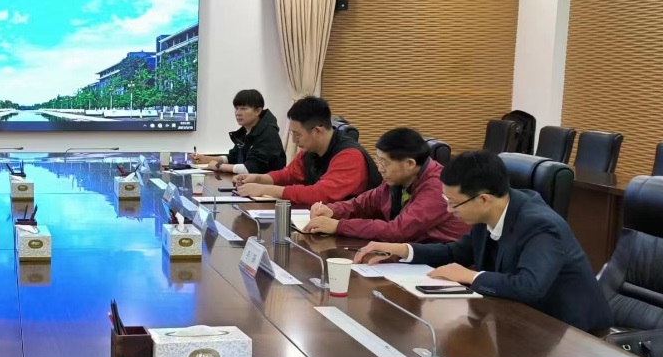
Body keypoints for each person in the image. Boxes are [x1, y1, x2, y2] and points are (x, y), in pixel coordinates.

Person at [355, 150, 611, 332]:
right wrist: (403, 250)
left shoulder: (541, 225)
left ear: (484, 199)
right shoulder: (489, 213)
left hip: (570, 332)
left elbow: (529, 286)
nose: (449, 211)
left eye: (454, 203)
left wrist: (471, 276)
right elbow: (457, 252)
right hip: (518, 320)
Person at [304, 128, 468, 244]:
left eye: (385, 163)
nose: (380, 168)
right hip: (409, 256)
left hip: (443, 265)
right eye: (378, 160)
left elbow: (398, 231)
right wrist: (333, 210)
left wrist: (339, 226)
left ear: (410, 164)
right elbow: (366, 202)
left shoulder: (437, 187)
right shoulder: (398, 178)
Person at [234, 96, 379, 207]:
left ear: (317, 131)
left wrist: (264, 189)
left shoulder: (350, 156)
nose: (294, 140)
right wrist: (259, 178)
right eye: (292, 134)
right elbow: (289, 174)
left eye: (297, 134)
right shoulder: (311, 150)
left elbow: (320, 194)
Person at [190, 89, 286, 174]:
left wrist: (218, 166)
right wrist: (206, 159)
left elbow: (251, 169)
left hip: (265, 186)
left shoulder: (268, 134)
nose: (238, 113)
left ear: (258, 111)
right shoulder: (245, 132)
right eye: (236, 108)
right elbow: (233, 157)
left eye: (243, 109)